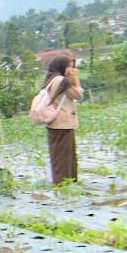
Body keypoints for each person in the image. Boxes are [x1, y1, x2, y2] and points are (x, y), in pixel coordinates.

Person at [41, 54, 83, 184]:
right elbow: (78, 95)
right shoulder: (61, 81)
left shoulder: (50, 79)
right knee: (66, 155)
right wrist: (76, 78)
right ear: (62, 66)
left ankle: (62, 182)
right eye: (69, 66)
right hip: (63, 123)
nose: (71, 70)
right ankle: (65, 183)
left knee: (58, 155)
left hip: (53, 123)